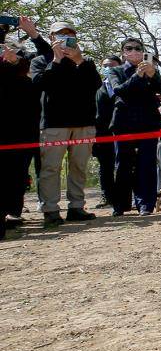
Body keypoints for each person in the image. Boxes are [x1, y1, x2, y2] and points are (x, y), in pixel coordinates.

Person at [29, 20, 101, 227]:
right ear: (51, 38)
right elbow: (40, 84)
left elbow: (96, 84)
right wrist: (57, 61)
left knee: (79, 166)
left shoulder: (84, 62)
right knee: (51, 168)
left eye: (69, 34)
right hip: (54, 124)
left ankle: (76, 207)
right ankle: (50, 210)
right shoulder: (41, 60)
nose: (64, 37)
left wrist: (79, 60)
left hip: (84, 122)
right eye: (59, 34)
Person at [107, 38, 161, 216]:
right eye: (129, 48)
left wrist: (152, 74)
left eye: (138, 48)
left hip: (148, 122)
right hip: (124, 123)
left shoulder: (150, 69)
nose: (134, 51)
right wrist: (137, 76)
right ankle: (120, 205)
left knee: (146, 163)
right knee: (123, 164)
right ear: (123, 53)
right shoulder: (114, 71)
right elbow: (119, 91)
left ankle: (145, 204)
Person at [1, 19, 41, 238]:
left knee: (16, 172)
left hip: (22, 127)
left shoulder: (25, 60)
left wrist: (33, 33)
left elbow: (44, 55)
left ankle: (12, 211)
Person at [92, 55, 121, 209]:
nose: (108, 68)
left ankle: (123, 196)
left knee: (124, 165)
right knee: (105, 166)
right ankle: (107, 196)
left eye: (112, 65)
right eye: (105, 65)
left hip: (123, 130)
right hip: (102, 134)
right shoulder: (97, 88)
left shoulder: (125, 84)